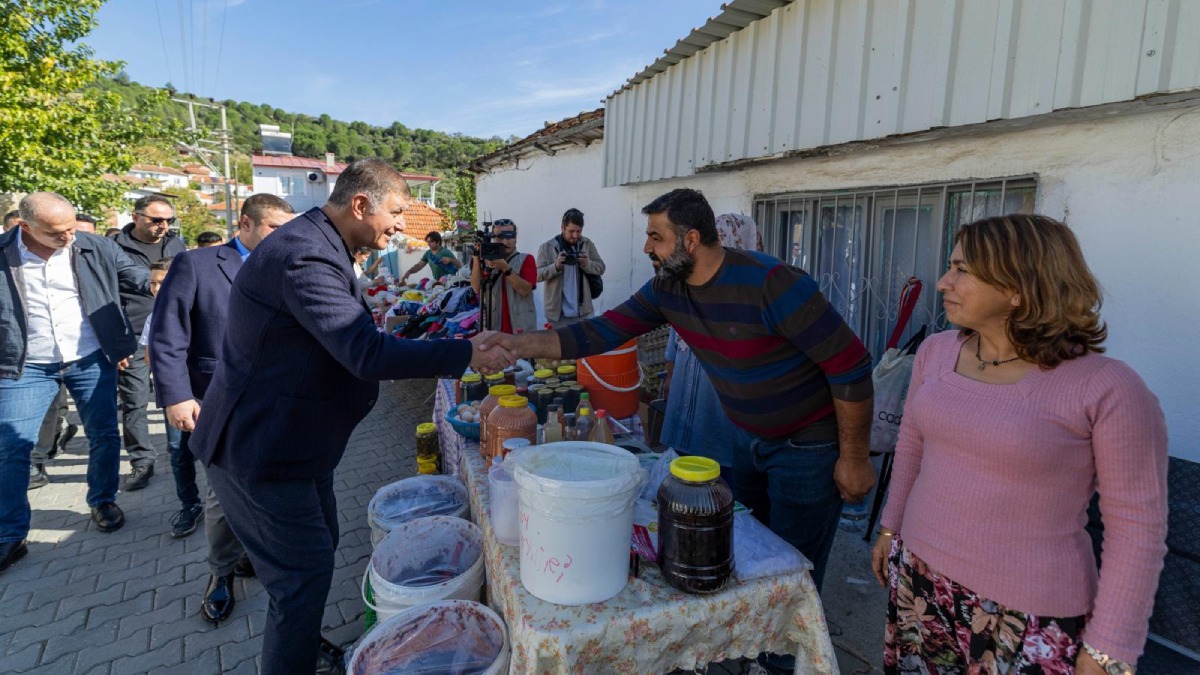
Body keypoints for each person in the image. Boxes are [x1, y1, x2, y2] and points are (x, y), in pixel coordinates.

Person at [188, 159, 514, 674]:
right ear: (361, 204)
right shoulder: (304, 257)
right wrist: (464, 351)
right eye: (398, 212)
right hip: (261, 449)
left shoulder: (322, 245)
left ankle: (299, 639)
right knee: (301, 577)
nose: (404, 226)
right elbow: (364, 353)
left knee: (318, 556)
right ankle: (290, 655)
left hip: (298, 445)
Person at [482, 188, 875, 584]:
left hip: (806, 449)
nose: (646, 248)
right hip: (746, 440)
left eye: (656, 237)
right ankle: (757, 643)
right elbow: (603, 331)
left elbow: (851, 366)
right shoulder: (668, 289)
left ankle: (798, 645)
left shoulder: (771, 283)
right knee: (753, 553)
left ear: (690, 240)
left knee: (793, 569)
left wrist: (855, 458)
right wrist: (518, 344)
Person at [870, 214, 1168, 675]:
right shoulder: (937, 351)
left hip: (1025, 614)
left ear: (1018, 287)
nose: (944, 282)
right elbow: (912, 444)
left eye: (962, 270)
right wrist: (890, 529)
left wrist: (1110, 647)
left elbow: (1136, 528)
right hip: (920, 582)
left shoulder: (1108, 387)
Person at [150, 194, 294, 625]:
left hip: (278, 402)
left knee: (270, 487)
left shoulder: (291, 266)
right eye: (274, 228)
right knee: (222, 497)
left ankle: (260, 557)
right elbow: (167, 333)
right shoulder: (196, 264)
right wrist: (176, 395)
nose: (283, 238)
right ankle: (220, 572)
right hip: (216, 400)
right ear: (245, 223)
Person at [0, 192, 151, 573]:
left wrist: (169, 282)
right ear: (25, 227)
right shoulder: (3, 254)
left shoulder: (93, 246)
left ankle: (102, 501)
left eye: (71, 228)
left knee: (103, 434)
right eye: (57, 233)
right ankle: (10, 534)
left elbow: (136, 277)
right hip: (26, 365)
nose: (69, 237)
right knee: (11, 449)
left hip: (90, 358)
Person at [659, 214, 763, 470]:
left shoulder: (753, 296)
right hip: (684, 389)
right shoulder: (692, 286)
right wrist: (670, 376)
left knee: (716, 476)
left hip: (718, 404)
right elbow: (676, 332)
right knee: (680, 471)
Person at [111, 195, 187, 491]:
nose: (163, 226)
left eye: (168, 220)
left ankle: (180, 449)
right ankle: (142, 461)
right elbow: (107, 294)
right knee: (135, 401)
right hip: (133, 332)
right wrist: (116, 341)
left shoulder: (175, 242)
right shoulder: (115, 247)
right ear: (136, 216)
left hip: (175, 330)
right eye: (156, 220)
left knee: (177, 392)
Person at [536, 207, 606, 328]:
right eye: (571, 231)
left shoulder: (587, 244)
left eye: (579, 231)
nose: (575, 235)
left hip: (584, 311)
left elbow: (601, 267)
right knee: (561, 346)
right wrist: (556, 266)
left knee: (587, 345)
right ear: (562, 228)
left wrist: (587, 264)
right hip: (558, 314)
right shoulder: (548, 247)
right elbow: (536, 275)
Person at [470, 218, 537, 334]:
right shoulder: (485, 261)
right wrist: (476, 258)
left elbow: (525, 290)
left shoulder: (526, 259)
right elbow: (476, 288)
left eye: (509, 237)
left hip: (520, 328)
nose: (505, 242)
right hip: (495, 328)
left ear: (516, 239)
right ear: (493, 239)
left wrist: (505, 268)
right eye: (500, 238)